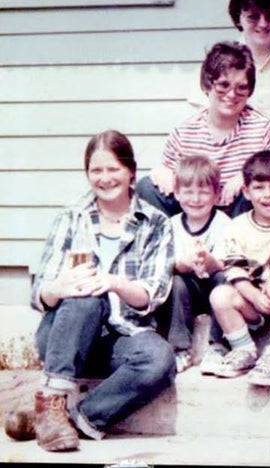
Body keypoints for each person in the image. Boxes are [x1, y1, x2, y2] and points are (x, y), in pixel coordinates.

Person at [24, 130, 175, 452]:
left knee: (159, 359)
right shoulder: (71, 216)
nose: (105, 178)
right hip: (64, 335)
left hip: (122, 335)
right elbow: (39, 293)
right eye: (96, 170)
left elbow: (153, 293)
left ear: (131, 171)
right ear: (87, 173)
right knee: (84, 296)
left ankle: (70, 417)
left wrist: (114, 283)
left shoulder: (155, 224)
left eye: (113, 169)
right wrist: (58, 288)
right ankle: (53, 399)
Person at [138, 41, 270, 218]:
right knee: (146, 186)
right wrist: (163, 173)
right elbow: (166, 176)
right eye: (223, 85)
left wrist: (246, 176)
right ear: (207, 85)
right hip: (194, 211)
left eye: (241, 88)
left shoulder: (269, 129)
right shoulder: (184, 132)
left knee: (251, 191)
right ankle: (174, 240)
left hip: (240, 216)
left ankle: (234, 243)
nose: (232, 95)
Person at [203, 150, 270, 387]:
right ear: (246, 191)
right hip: (253, 302)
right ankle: (244, 350)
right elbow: (233, 270)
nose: (267, 195)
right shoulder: (237, 227)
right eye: (259, 188)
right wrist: (253, 295)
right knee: (220, 294)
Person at [153, 155, 231, 373]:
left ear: (216, 195)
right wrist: (184, 264)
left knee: (225, 280)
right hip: (189, 292)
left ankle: (219, 345)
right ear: (177, 193)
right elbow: (170, 263)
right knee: (177, 281)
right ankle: (180, 348)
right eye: (188, 192)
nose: (195, 199)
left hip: (215, 290)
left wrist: (209, 260)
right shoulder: (172, 225)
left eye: (204, 192)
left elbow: (224, 263)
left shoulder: (223, 223)